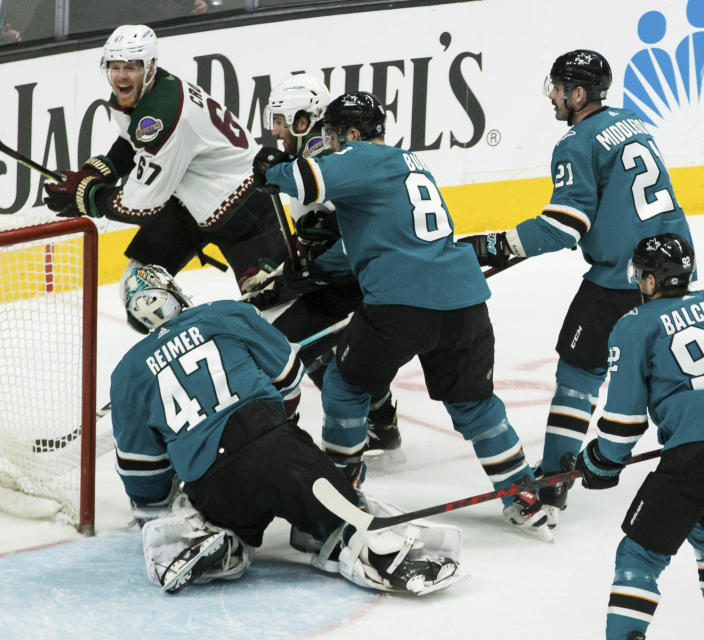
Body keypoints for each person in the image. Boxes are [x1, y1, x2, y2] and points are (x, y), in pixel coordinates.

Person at [257, 91, 552, 540]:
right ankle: (522, 494)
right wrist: (318, 267)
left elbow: (301, 179)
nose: (332, 144)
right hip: (465, 301)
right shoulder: (410, 161)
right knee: (474, 404)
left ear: (353, 134)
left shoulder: (360, 157)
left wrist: (268, 168)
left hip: (400, 305)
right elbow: (380, 235)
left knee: (344, 384)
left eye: (335, 136)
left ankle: (342, 492)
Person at [108, 264, 464, 594]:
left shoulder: (127, 372)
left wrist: (153, 508)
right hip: (279, 452)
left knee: (207, 509)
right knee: (343, 513)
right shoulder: (227, 313)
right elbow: (290, 378)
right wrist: (280, 431)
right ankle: (353, 543)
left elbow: (142, 470)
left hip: (212, 482)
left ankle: (222, 540)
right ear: (177, 292)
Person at [458, 49, 693, 528]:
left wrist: (497, 244)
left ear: (578, 94)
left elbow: (564, 225)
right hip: (675, 262)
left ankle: (556, 478)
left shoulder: (575, 142)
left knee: (578, 372)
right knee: (676, 362)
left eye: (559, 88)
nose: (552, 96)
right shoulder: (630, 120)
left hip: (622, 276)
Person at [42, 24, 286, 331]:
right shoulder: (147, 93)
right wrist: (99, 171)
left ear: (150, 67)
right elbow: (133, 143)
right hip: (187, 207)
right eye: (114, 67)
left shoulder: (163, 114)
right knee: (142, 295)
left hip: (245, 213)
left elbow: (142, 205)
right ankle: (190, 352)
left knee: (279, 318)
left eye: (130, 67)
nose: (120, 76)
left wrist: (87, 197)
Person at [245, 74, 404, 476]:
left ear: (306, 120)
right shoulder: (312, 157)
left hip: (354, 283)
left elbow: (351, 240)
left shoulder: (326, 160)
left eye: (282, 120)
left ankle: (275, 444)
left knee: (279, 349)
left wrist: (308, 272)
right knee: (326, 355)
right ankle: (381, 425)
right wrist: (286, 273)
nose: (275, 129)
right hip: (338, 278)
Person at [575, 233, 702, 640]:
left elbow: (624, 422)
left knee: (640, 557)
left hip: (693, 461)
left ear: (650, 281)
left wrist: (600, 460)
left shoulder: (634, 326)